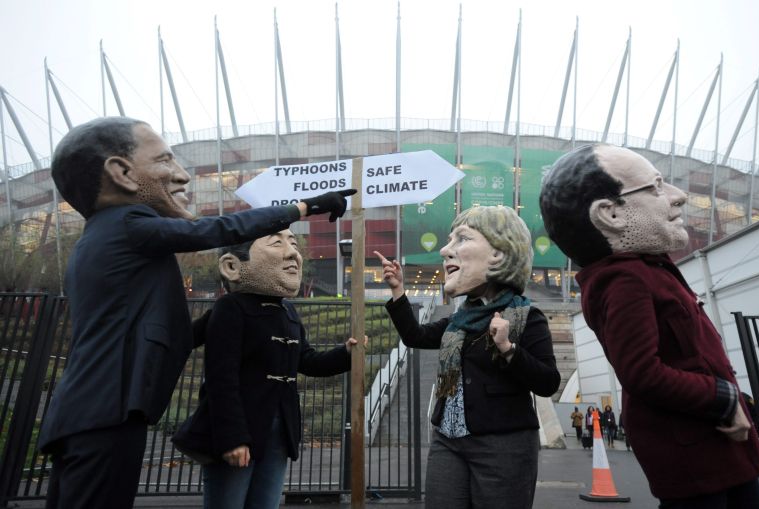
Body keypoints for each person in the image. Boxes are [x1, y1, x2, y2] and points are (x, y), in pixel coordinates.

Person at [37, 116, 355, 509]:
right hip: (106, 412)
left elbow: (173, 334)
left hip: (93, 411)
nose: (182, 175)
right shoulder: (128, 224)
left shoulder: (103, 240)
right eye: (166, 161)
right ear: (122, 173)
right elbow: (212, 231)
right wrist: (303, 207)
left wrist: (231, 317)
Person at [540, 143, 759, 508]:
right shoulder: (623, 281)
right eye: (657, 187)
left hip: (723, 450)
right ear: (610, 214)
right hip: (695, 459)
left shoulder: (650, 269)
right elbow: (642, 372)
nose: (677, 197)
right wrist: (724, 399)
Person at [376, 205, 561, 509]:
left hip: (504, 445)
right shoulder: (459, 319)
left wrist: (508, 349)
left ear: (498, 254)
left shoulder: (527, 316)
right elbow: (415, 336)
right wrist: (398, 291)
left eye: (462, 239)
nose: (445, 250)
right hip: (448, 440)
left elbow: (548, 382)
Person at [172, 230, 363, 509]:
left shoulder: (287, 312)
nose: (293, 253)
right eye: (277, 242)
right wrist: (233, 439)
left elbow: (306, 360)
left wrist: (346, 353)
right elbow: (220, 380)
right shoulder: (230, 308)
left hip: (279, 432)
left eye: (294, 243)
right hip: (239, 432)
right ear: (232, 266)